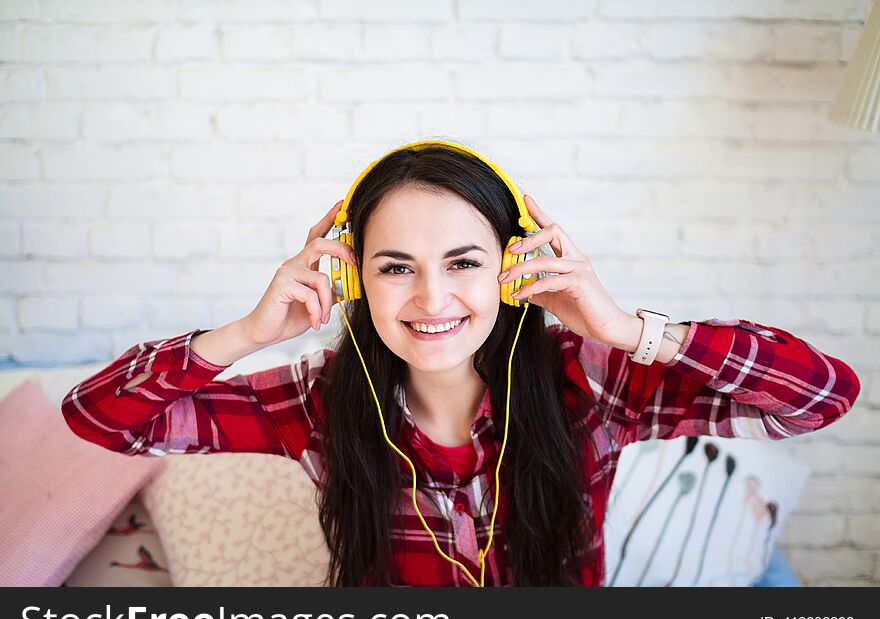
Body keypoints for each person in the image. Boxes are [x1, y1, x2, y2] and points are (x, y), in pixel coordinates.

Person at [62, 143, 861, 587]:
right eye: (397, 266)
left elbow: (822, 396)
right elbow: (98, 417)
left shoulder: (593, 377)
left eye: (464, 262)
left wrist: (624, 327)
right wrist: (245, 332)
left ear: (512, 271)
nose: (431, 297)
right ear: (352, 279)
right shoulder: (316, 398)